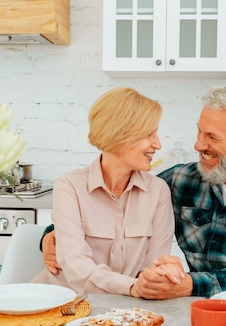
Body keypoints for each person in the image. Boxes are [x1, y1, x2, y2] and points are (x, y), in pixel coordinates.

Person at [41, 81, 226, 300]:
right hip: (204, 311)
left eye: (212, 137)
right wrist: (52, 235)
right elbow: (117, 202)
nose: (198, 145)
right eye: (199, 132)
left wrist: (188, 284)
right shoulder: (181, 180)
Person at [31, 87, 176, 295]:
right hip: (60, 303)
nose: (158, 144)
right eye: (149, 134)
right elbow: (76, 266)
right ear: (119, 135)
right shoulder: (69, 186)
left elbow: (153, 268)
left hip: (124, 310)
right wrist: (132, 287)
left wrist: (153, 281)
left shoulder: (158, 191)